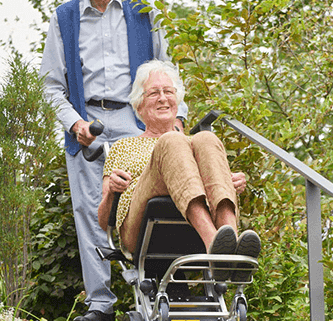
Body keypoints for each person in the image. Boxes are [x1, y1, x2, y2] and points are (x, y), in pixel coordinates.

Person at [40, 0, 188, 321]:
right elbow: (52, 85)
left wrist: (177, 121)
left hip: (138, 120)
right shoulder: (64, 18)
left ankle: (152, 296)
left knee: (146, 204)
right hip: (88, 122)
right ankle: (100, 304)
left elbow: (168, 67)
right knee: (91, 210)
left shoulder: (144, 8)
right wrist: (74, 123)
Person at [98, 60, 261, 281]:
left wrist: (226, 181)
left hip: (188, 228)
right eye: (154, 93)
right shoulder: (122, 147)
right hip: (140, 227)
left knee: (206, 138)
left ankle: (230, 245)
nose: (163, 98)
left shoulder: (195, 145)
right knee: (173, 140)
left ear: (177, 100)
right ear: (139, 105)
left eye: (168, 91)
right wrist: (111, 192)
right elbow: (103, 221)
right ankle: (214, 244)